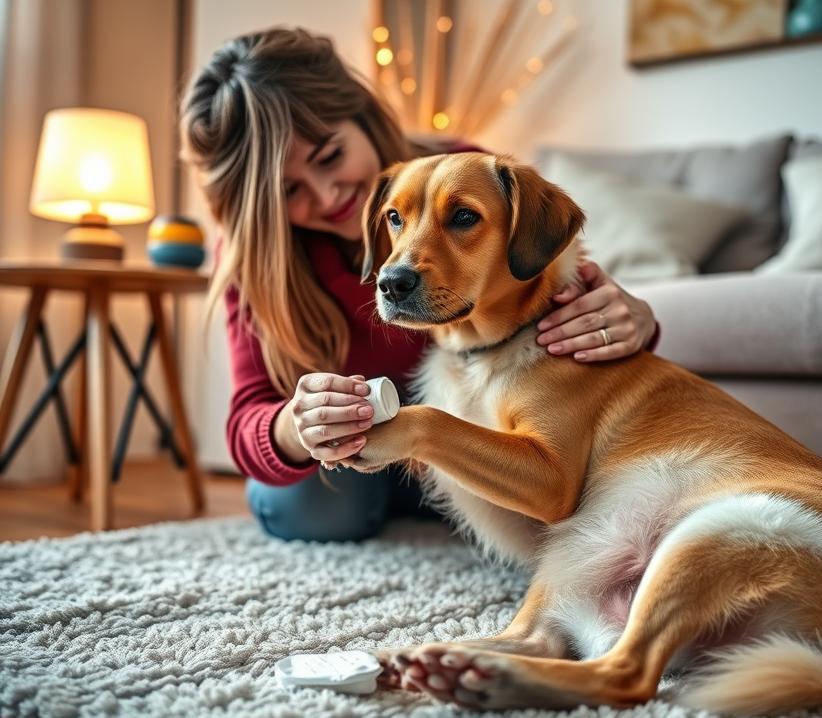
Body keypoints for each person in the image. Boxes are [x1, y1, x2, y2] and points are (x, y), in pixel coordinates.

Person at [179, 26, 660, 543]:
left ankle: (460, 494)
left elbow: (564, 327)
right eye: (290, 188)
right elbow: (246, 420)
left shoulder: (466, 176)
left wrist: (635, 320)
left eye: (329, 156)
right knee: (308, 506)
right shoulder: (253, 258)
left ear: (361, 115)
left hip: (470, 436)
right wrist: (298, 423)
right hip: (355, 457)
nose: (326, 194)